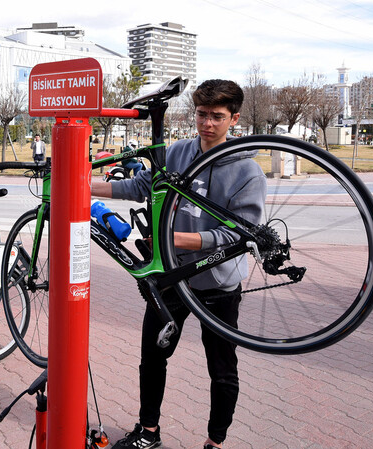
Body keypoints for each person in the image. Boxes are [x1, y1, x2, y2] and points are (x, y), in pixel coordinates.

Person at [91, 79, 267, 449]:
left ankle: (215, 442)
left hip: (217, 284)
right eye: (202, 114)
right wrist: (82, 185)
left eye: (217, 117)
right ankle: (148, 432)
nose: (207, 124)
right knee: (151, 357)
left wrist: (176, 239)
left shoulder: (248, 172)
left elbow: (239, 237)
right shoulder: (179, 151)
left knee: (221, 370)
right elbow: (141, 186)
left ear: (234, 119)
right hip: (170, 276)